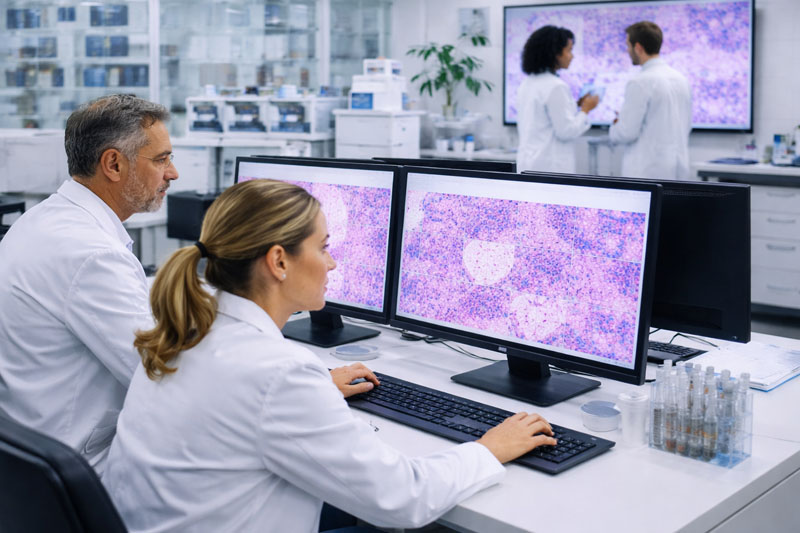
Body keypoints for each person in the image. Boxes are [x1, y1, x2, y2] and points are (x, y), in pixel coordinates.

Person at [102, 179, 557, 532]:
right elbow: (403, 498)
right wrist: (488, 450)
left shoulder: (186, 328)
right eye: (322, 248)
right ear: (279, 261)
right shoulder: (277, 374)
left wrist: (317, 388)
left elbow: (236, 407)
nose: (333, 263)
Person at [0, 94, 179, 472]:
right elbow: (168, 382)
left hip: (32, 460)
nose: (173, 173)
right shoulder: (93, 255)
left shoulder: (41, 221)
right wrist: (293, 393)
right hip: (86, 470)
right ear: (113, 164)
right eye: (161, 159)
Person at [609, 21, 692, 180]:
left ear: (638, 48)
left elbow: (627, 133)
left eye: (628, 46)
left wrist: (616, 124)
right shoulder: (681, 80)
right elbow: (686, 125)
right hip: (677, 171)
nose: (627, 51)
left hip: (646, 172)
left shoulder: (640, 82)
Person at [516, 25, 599, 174]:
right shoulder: (556, 86)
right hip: (549, 168)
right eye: (569, 50)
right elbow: (566, 131)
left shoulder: (528, 83)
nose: (572, 56)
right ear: (555, 53)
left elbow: (543, 118)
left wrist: (575, 105)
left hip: (528, 164)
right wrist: (585, 111)